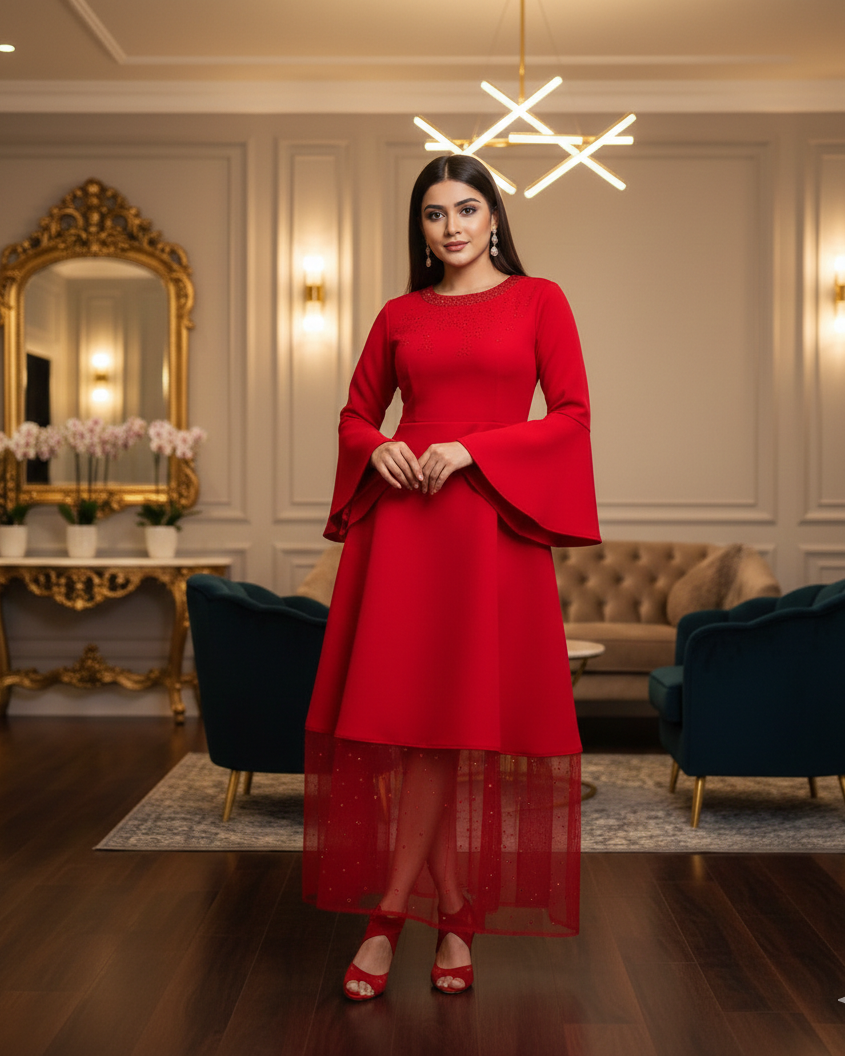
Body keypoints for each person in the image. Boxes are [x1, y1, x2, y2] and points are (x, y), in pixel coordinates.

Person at [302, 153, 600, 1001]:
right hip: (406, 524)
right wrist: (381, 446)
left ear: (494, 218)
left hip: (489, 523)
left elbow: (572, 413)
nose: (452, 227)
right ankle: (451, 914)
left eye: (467, 209)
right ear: (421, 230)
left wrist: (474, 447)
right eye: (434, 215)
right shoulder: (398, 313)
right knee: (410, 727)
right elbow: (356, 415)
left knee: (446, 728)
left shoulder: (542, 299)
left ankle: (388, 917)